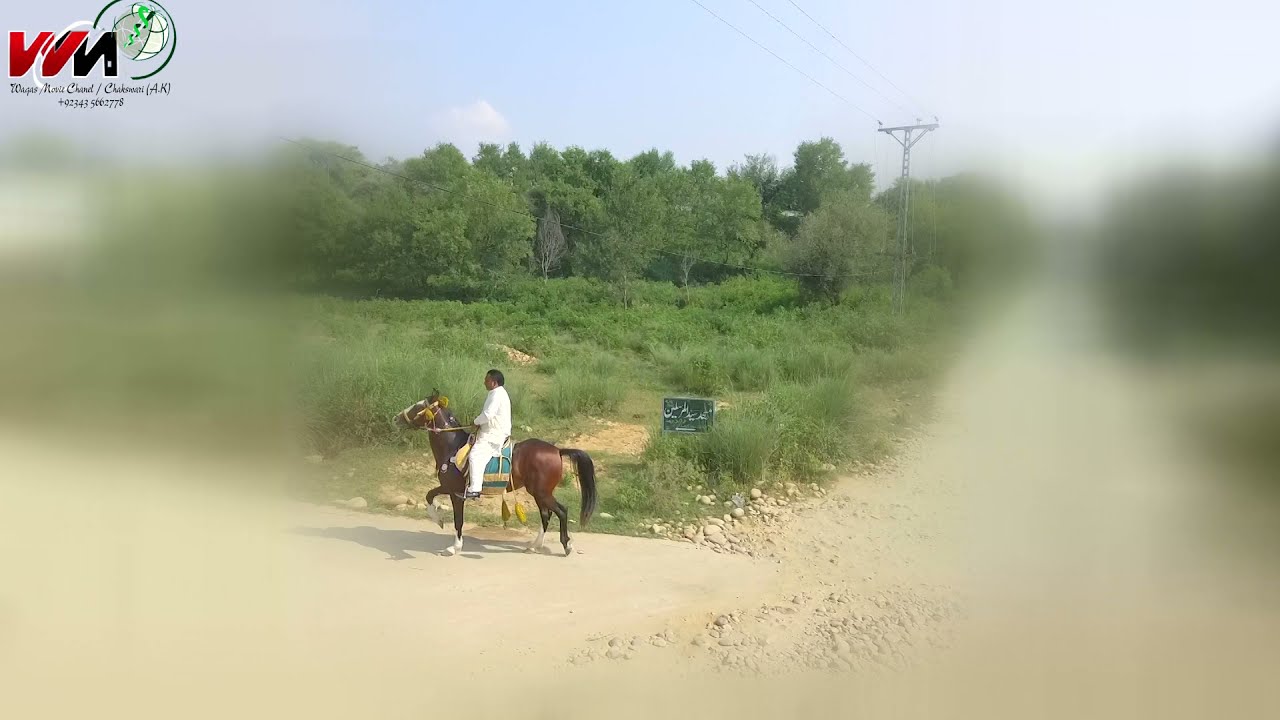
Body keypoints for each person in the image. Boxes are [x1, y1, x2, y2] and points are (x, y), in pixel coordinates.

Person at [462, 369, 511, 500]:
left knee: (475, 455)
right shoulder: (496, 393)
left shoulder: (497, 395)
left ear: (494, 382)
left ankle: (475, 489)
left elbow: (488, 415)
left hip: (493, 434)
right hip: (491, 431)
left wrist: (475, 422)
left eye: (487, 380)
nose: (484, 382)